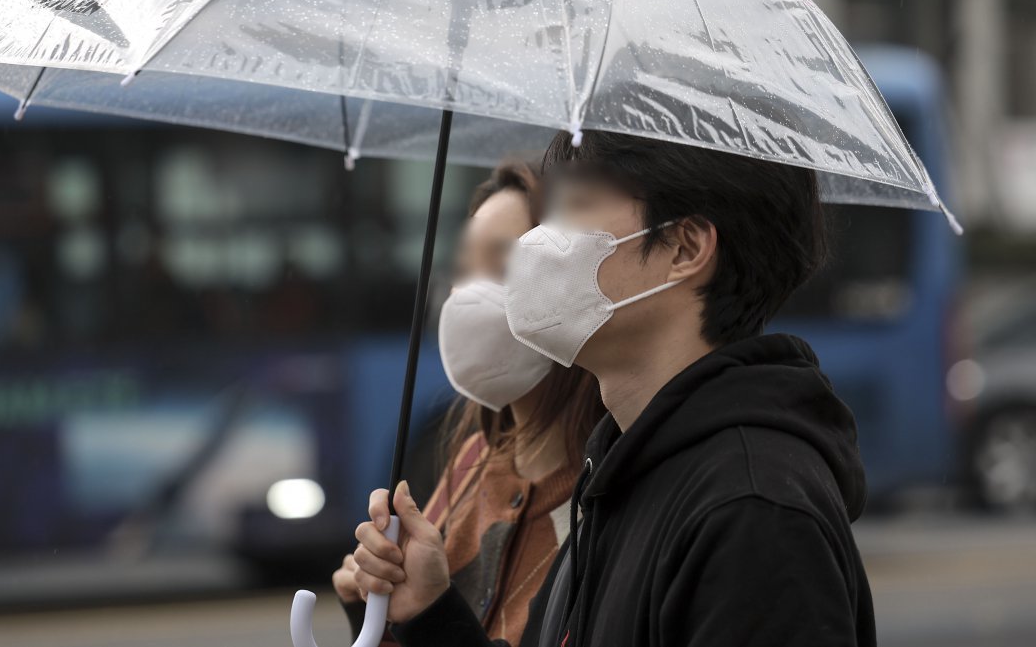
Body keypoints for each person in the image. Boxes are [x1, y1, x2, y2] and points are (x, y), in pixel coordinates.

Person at [350, 132, 877, 647]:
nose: (538, 246)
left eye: (577, 206)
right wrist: (432, 616)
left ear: (686, 247)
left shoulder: (755, 514)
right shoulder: (619, 473)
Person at [332, 159, 605, 646]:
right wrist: (370, 610)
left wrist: (432, 614)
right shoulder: (472, 463)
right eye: (462, 268)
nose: (469, 294)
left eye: (501, 266)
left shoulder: (606, 500)